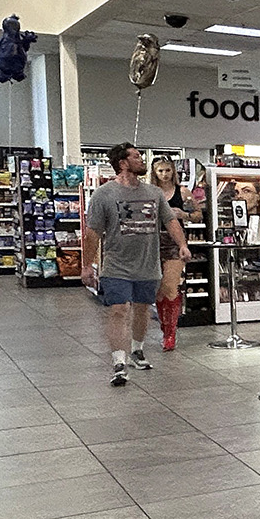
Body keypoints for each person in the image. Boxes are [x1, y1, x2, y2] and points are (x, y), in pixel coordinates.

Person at [83, 142, 189, 386]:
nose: (142, 160)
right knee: (119, 310)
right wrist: (87, 265)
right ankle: (119, 362)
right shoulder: (103, 195)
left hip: (148, 265)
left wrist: (182, 244)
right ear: (123, 163)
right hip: (116, 265)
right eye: (137, 157)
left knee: (142, 309)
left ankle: (137, 350)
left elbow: (170, 221)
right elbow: (92, 233)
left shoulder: (154, 193)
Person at [149, 155, 198, 351]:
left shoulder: (183, 192)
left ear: (173, 171)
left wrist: (183, 214)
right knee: (158, 289)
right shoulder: (149, 192)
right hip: (151, 242)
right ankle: (164, 327)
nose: (164, 174)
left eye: (167, 170)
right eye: (160, 171)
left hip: (175, 242)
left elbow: (198, 214)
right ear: (154, 172)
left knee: (170, 286)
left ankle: (170, 333)